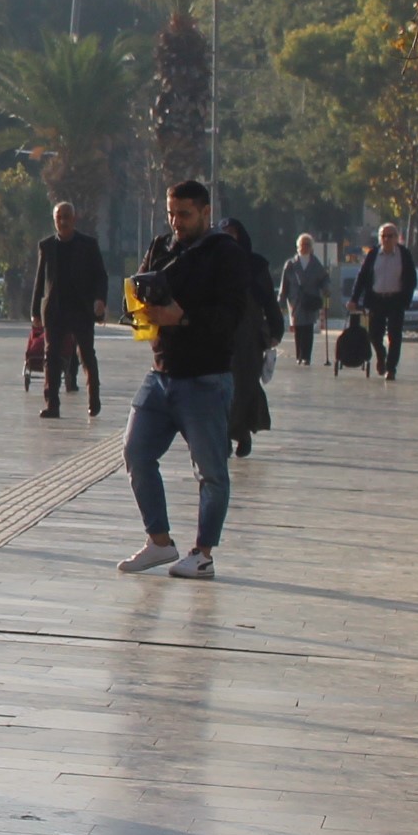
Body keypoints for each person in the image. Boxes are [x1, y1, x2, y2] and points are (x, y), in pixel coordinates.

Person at [117, 179, 253, 581]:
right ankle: (159, 541)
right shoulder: (163, 247)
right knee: (136, 453)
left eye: (185, 215)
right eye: (172, 213)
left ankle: (203, 553)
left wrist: (184, 316)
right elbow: (141, 284)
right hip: (161, 374)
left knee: (210, 471)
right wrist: (144, 304)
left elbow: (232, 314)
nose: (177, 222)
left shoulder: (225, 253)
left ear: (206, 212)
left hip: (205, 378)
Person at [27, 202, 107, 419]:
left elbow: (101, 276)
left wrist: (100, 300)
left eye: (67, 217)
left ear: (74, 219)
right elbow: (40, 280)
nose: (63, 221)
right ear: (54, 219)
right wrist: (35, 311)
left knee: (86, 355)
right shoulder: (47, 246)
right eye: (59, 217)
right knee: (51, 356)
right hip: (55, 310)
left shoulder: (88, 245)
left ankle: (94, 399)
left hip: (81, 309)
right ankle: (52, 404)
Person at [223, 217, 282, 458]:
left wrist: (276, 331)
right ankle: (224, 434)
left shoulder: (255, 265)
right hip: (222, 334)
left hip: (249, 336)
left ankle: (243, 431)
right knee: (223, 386)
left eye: (232, 234)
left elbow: (268, 300)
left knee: (246, 385)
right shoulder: (214, 263)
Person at [354, 222, 418, 379]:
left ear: (397, 238)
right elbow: (362, 277)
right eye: (383, 236)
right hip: (376, 300)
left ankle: (391, 368)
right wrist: (354, 299)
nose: (387, 239)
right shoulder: (373, 254)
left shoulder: (404, 254)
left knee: (395, 336)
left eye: (390, 236)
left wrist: (406, 299)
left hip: (396, 300)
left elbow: (411, 279)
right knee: (374, 335)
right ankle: (381, 356)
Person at [282, 234, 331, 369]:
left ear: (311, 247)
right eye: (302, 245)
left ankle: (306, 357)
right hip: (296, 301)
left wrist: (326, 288)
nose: (305, 248)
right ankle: (299, 355)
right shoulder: (291, 264)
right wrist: (281, 298)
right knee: (298, 328)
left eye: (308, 245)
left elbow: (324, 278)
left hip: (310, 300)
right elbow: (284, 283)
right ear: (298, 247)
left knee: (308, 327)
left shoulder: (315, 264)